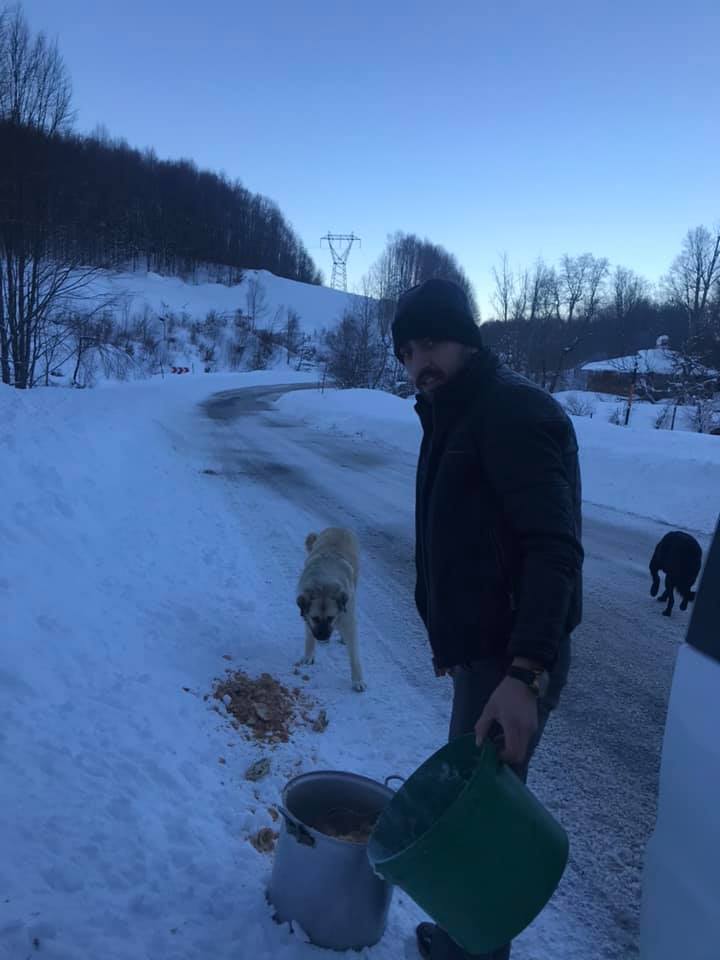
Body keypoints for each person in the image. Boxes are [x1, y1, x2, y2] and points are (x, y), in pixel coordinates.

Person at [391, 278, 583, 960]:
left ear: (467, 339)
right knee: (478, 811)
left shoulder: (511, 414)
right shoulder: (452, 410)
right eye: (408, 350)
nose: (420, 362)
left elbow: (553, 548)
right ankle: (470, 938)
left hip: (511, 660)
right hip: (487, 655)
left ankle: (476, 949)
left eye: (432, 342)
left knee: (483, 822)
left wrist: (526, 672)